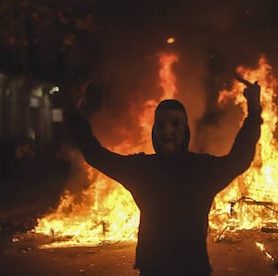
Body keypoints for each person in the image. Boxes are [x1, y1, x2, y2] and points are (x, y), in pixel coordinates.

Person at [66, 79, 263, 276]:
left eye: (175, 124)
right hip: (153, 270)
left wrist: (254, 112)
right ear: (155, 131)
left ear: (185, 130)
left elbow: (239, 158)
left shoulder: (202, 170)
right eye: (161, 124)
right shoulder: (142, 170)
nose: (168, 131)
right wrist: (75, 115)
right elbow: (97, 155)